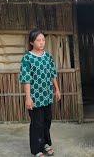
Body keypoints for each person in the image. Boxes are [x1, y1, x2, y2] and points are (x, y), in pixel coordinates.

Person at [19, 29, 61, 157]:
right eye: (38, 40)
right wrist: (28, 98)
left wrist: (57, 89)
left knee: (47, 121)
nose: (42, 42)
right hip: (35, 97)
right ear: (32, 42)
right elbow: (26, 79)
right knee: (37, 123)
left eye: (43, 40)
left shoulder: (47, 56)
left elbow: (52, 74)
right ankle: (36, 149)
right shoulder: (27, 58)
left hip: (47, 96)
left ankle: (45, 144)